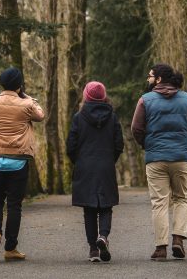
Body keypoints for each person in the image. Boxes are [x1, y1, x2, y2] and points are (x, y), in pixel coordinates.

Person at [131, 63, 187, 261]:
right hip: (181, 158)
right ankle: (178, 240)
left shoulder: (145, 100)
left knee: (159, 202)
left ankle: (161, 248)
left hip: (156, 159)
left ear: (158, 79)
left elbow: (136, 129)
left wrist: (147, 145)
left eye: (150, 76)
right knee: (181, 199)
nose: (147, 79)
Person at [0, 67, 45, 262]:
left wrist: (1, 97)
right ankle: (11, 247)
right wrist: (29, 98)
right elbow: (40, 115)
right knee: (14, 204)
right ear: (20, 84)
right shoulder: (26, 104)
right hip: (18, 161)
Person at [66, 81, 124, 262]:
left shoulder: (78, 117)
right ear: (103, 96)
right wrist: (109, 159)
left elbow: (71, 145)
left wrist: (79, 161)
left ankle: (93, 250)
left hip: (85, 167)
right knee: (106, 207)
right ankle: (103, 237)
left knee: (89, 210)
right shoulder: (112, 117)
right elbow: (118, 144)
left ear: (86, 96)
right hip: (106, 166)